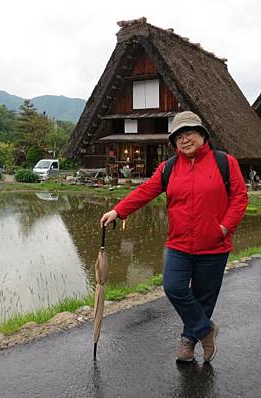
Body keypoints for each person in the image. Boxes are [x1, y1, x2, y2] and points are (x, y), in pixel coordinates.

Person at [100, 111, 248, 363]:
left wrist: (223, 228)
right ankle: (206, 330)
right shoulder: (168, 168)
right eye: (178, 136)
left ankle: (188, 341)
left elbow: (239, 197)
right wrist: (118, 210)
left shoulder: (225, 162)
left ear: (202, 135)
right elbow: (146, 190)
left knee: (204, 297)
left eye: (189, 132)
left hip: (214, 245)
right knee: (174, 287)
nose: (184, 139)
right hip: (179, 244)